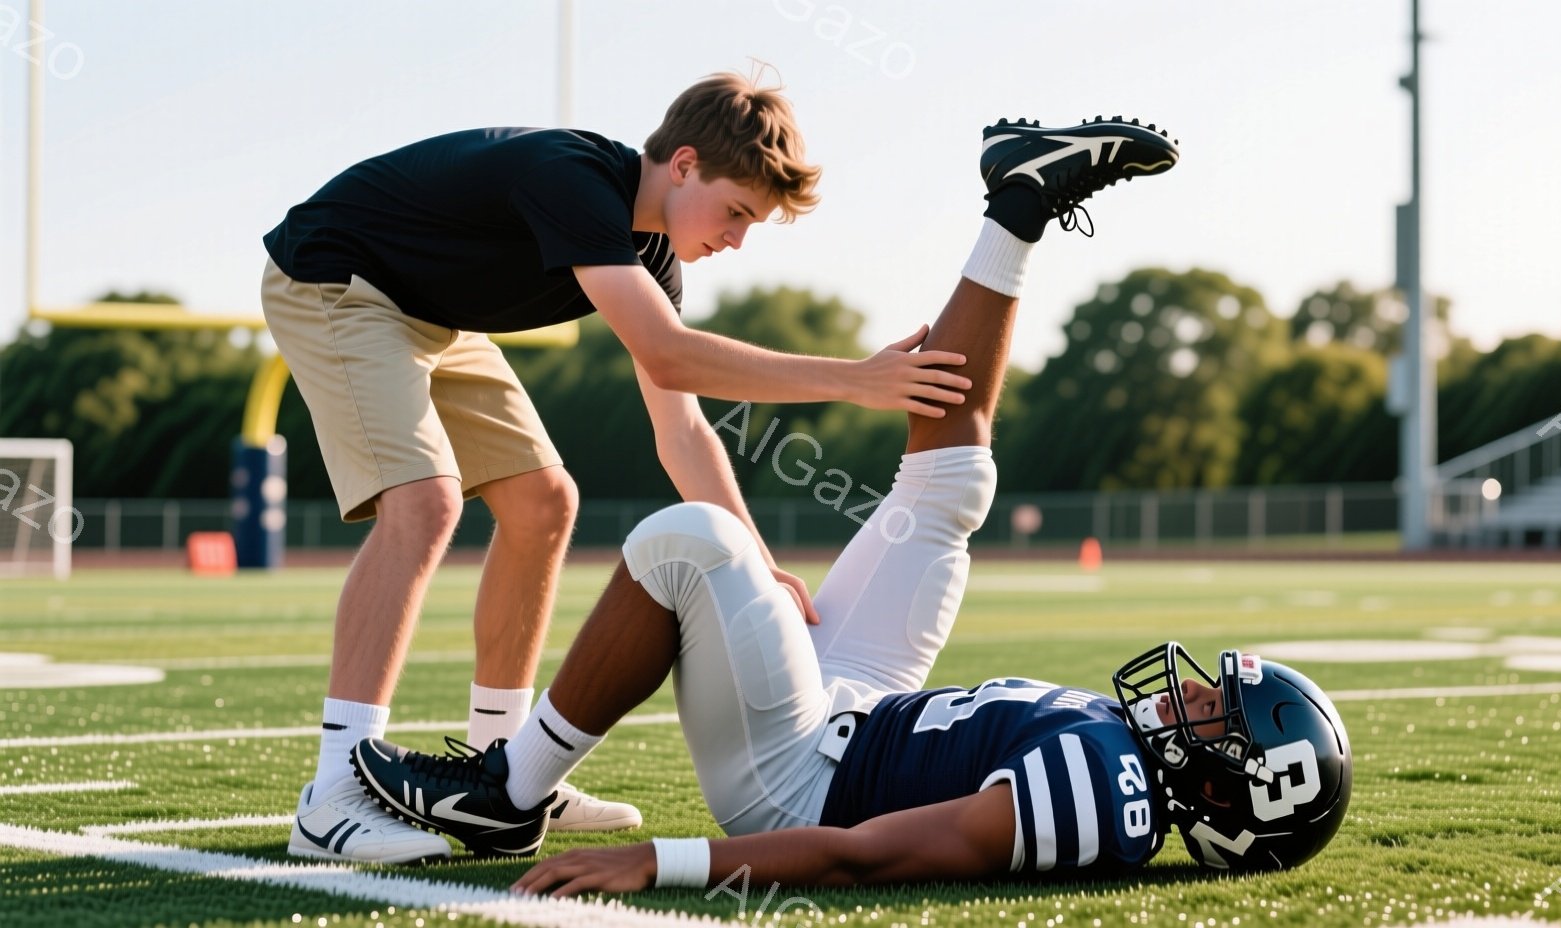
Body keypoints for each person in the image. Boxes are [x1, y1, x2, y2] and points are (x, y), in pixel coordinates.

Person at [350, 112, 1354, 889]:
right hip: (861, 704)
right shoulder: (1124, 762)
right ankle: (1018, 204)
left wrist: (665, 862)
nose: (1193, 697)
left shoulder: (1105, 799)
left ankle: (507, 788)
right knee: (954, 480)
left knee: (686, 540)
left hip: (797, 775)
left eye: (1219, 715)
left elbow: (866, 854)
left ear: (1228, 792)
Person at [267, 70, 975, 864]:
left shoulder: (651, 256)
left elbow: (682, 431)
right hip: (338, 280)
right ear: (681, 165)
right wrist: (853, 379)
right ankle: (333, 794)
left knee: (545, 503)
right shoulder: (574, 180)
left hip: (430, 314)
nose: (738, 239)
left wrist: (757, 560)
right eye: (735, 210)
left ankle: (504, 775)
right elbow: (671, 358)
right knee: (426, 503)